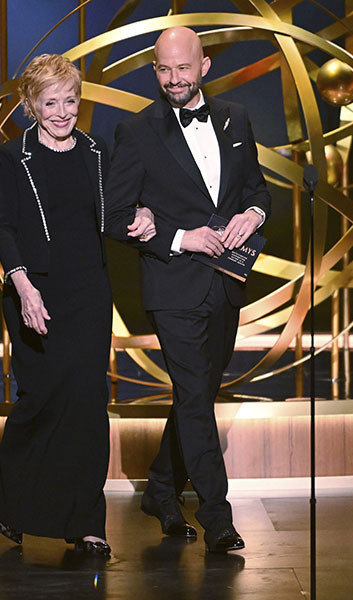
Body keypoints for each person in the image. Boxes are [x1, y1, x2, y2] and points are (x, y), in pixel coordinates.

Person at [105, 26, 272, 553]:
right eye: (163, 69)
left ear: (204, 67)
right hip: (172, 286)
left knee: (195, 394)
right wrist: (179, 236)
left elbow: (257, 189)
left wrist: (254, 213)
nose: (173, 79)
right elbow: (112, 214)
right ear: (154, 70)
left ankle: (159, 488)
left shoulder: (237, 119)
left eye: (182, 68)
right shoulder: (136, 132)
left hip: (226, 285)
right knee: (198, 401)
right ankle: (217, 516)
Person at [0, 54, 155, 556]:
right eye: (51, 102)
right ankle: (11, 503)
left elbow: (113, 216)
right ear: (30, 105)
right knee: (39, 402)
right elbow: (5, 228)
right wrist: (22, 285)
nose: (63, 112)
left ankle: (87, 521)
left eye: (71, 100)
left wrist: (143, 216)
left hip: (87, 294)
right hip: (32, 291)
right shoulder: (12, 158)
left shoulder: (98, 152)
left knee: (86, 404)